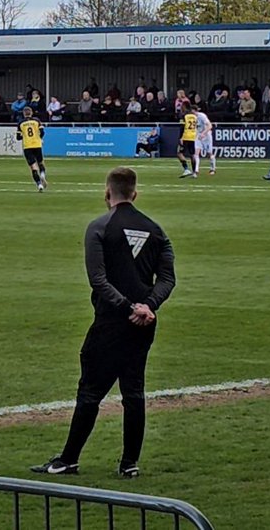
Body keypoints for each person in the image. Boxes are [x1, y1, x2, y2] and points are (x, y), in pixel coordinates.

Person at [31, 167, 176, 478]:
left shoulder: (99, 227)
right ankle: (129, 464)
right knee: (134, 392)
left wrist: (127, 307)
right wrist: (148, 307)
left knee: (90, 393)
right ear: (135, 194)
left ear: (107, 193)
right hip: (144, 324)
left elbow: (98, 280)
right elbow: (167, 279)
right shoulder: (157, 230)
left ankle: (69, 459)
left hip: (110, 322)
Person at [16, 106, 47, 192]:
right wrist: (39, 138)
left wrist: (24, 135)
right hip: (37, 144)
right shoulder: (36, 121)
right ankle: (43, 174)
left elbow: (18, 137)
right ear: (31, 113)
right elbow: (42, 132)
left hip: (27, 146)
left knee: (33, 167)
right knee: (40, 162)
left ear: (23, 114)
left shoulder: (20, 123)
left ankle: (39, 185)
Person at [194, 106, 216, 176]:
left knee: (209, 153)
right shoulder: (191, 117)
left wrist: (204, 133)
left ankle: (212, 169)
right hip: (198, 135)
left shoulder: (202, 116)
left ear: (195, 111)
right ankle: (196, 170)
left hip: (206, 135)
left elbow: (210, 126)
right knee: (196, 152)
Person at [177, 107, 198, 179]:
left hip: (185, 136)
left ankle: (186, 169)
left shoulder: (184, 116)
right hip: (192, 137)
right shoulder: (194, 117)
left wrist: (180, 137)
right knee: (192, 155)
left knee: (179, 153)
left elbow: (182, 127)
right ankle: (194, 172)